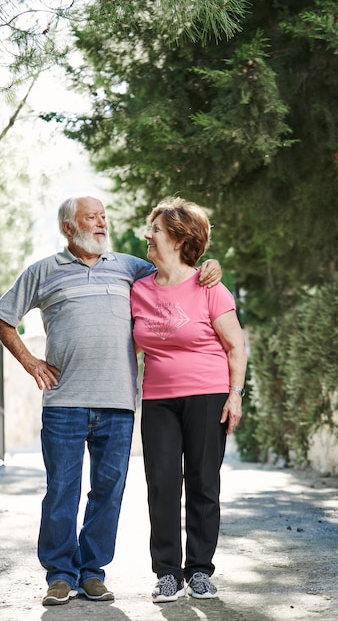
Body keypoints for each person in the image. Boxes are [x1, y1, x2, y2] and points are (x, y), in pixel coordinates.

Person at [0, 195, 222, 606]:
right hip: (64, 402)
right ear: (68, 227)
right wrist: (30, 362)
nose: (101, 224)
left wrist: (210, 267)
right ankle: (60, 575)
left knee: (108, 491)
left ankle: (93, 573)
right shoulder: (43, 270)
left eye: (103, 217)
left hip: (118, 403)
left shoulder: (130, 267)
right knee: (62, 489)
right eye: (91, 218)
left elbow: (179, 272)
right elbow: (2, 315)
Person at [130, 196, 247, 603]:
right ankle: (167, 573)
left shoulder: (209, 287)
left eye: (156, 230)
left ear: (179, 238)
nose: (149, 235)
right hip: (159, 398)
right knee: (161, 484)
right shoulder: (138, 289)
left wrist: (235, 395)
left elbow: (236, 346)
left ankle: (199, 570)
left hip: (208, 395)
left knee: (202, 482)